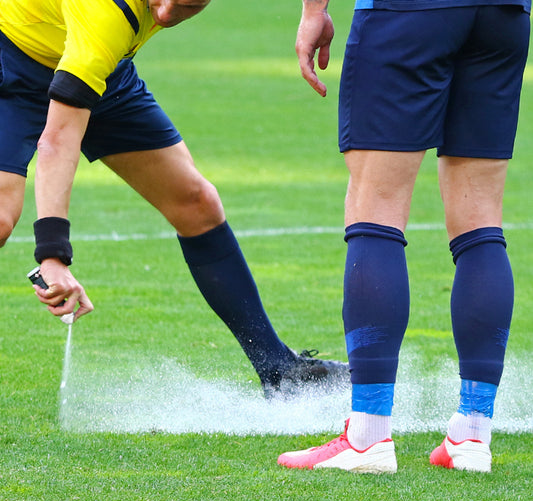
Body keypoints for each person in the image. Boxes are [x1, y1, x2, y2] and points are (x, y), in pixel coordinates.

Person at [0, 0, 349, 399]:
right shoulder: (104, 12)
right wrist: (53, 256)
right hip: (15, 61)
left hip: (103, 68)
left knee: (196, 202)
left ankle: (278, 370)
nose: (166, 13)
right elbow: (58, 140)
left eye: (188, 5)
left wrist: (313, 11)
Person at [278, 0, 530, 472]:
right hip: (504, 13)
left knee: (377, 205)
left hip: (408, 12)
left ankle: (368, 435)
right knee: (481, 217)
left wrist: (314, 9)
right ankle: (473, 433)